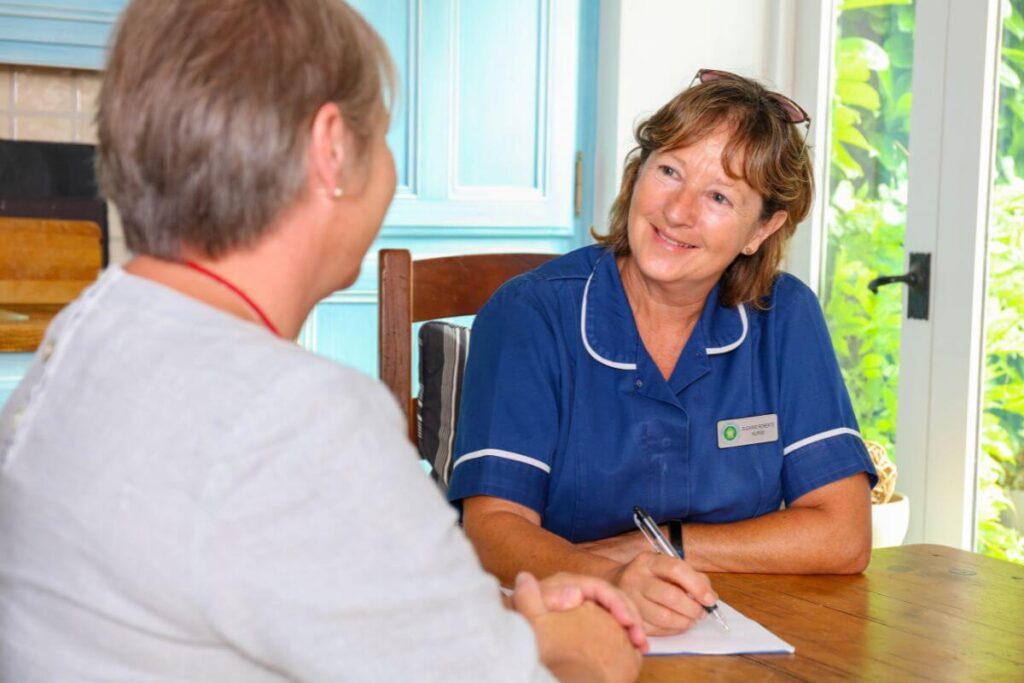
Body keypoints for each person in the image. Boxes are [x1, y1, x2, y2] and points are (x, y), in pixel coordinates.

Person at [0, 1, 649, 681]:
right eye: (384, 135)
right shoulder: (298, 419)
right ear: (332, 148)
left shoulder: (89, 327)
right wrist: (590, 651)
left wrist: (509, 633)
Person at [448, 69, 879, 636]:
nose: (678, 211)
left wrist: (656, 550)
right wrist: (604, 579)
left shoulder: (784, 317)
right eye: (669, 171)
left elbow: (843, 535)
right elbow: (492, 527)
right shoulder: (530, 315)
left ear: (762, 229)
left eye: (720, 196)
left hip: (731, 631)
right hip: (554, 630)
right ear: (636, 174)